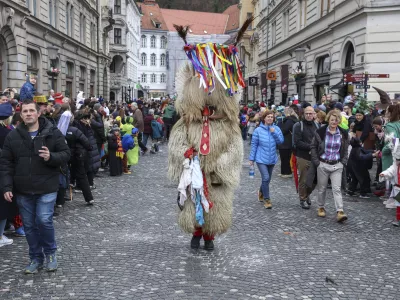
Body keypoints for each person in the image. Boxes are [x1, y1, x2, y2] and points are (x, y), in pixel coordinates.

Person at [0, 100, 70, 273]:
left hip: (47, 186)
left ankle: (51, 254)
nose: (28, 113)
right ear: (21, 115)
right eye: (25, 111)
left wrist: (51, 156)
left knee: (44, 220)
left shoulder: (52, 132)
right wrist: (7, 187)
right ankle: (35, 258)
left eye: (32, 110)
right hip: (23, 189)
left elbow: (66, 154)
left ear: (39, 113)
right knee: (29, 226)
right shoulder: (13, 136)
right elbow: (6, 164)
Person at [310, 110, 349, 222]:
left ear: (339, 121)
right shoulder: (321, 131)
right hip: (323, 163)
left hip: (337, 164)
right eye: (332, 119)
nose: (334, 122)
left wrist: (343, 162)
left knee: (337, 189)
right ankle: (321, 207)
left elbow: (345, 149)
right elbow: (313, 146)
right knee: (322, 188)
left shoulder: (343, 133)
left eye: (336, 120)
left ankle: (340, 211)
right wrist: (317, 162)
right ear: (328, 120)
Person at [249, 110, 284, 209]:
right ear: (264, 118)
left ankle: (261, 192)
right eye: (268, 116)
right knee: (265, 177)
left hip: (272, 158)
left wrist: (274, 133)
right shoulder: (258, 130)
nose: (270, 118)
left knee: (267, 179)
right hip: (261, 159)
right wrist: (252, 158)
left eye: (271, 117)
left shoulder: (276, 128)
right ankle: (267, 199)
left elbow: (281, 141)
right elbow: (254, 145)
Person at [293, 106, 320, 209]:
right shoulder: (298, 125)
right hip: (303, 156)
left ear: (314, 114)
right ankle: (303, 199)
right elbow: (297, 142)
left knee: (315, 180)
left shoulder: (317, 125)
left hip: (315, 157)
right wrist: (311, 147)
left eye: (311, 113)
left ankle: (307, 194)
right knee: (304, 180)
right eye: (307, 113)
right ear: (303, 114)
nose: (309, 115)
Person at [278, 107, 298, 178]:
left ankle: (287, 172)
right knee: (284, 157)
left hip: (286, 142)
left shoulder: (289, 120)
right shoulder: (293, 120)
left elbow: (284, 130)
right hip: (287, 141)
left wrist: (280, 123)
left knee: (285, 157)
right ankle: (283, 172)